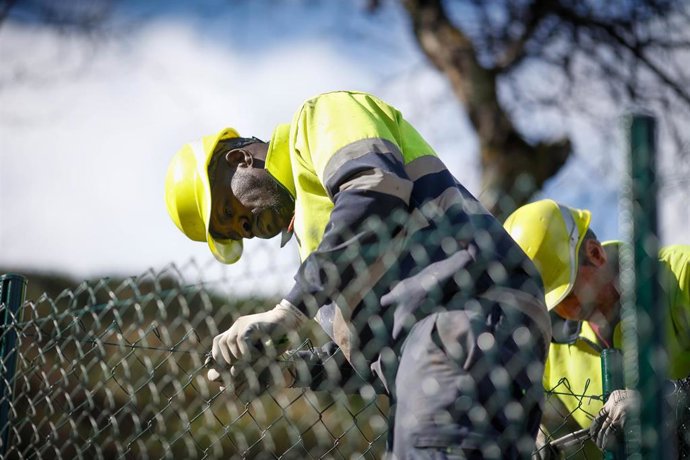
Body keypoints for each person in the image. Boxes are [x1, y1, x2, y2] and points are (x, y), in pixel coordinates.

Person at [164, 90, 551, 458]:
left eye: (231, 212)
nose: (247, 227)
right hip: (445, 348)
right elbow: (369, 355)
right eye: (238, 233)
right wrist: (282, 371)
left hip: (460, 312)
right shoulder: (315, 247)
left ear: (239, 161)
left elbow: (375, 188)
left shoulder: (317, 119)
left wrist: (288, 310)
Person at [503, 198, 690, 458]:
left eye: (567, 295)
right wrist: (542, 436)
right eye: (552, 305)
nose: (565, 313)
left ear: (595, 254)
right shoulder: (551, 356)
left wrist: (670, 398)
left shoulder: (681, 274)